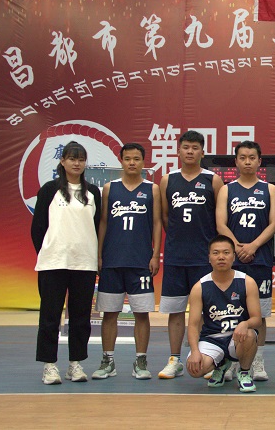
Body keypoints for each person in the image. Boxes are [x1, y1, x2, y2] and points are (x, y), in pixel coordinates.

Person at [31, 141, 101, 385]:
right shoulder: (49, 190)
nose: (76, 163)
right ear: (62, 161)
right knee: (50, 316)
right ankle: (49, 366)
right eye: (72, 158)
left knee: (81, 317)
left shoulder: (93, 192)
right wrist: (48, 252)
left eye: (81, 159)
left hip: (84, 264)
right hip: (53, 263)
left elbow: (97, 226)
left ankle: (75, 364)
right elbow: (38, 228)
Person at [92, 143, 162, 380]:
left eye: (136, 159)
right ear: (121, 161)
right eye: (128, 159)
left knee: (141, 314)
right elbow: (103, 222)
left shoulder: (152, 189)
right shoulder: (109, 188)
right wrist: (99, 254)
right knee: (109, 313)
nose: (132, 163)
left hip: (140, 261)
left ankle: (140, 361)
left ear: (143, 162)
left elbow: (157, 223)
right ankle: (108, 361)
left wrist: (155, 255)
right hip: (112, 260)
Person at [158, 131, 223, 379]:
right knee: (176, 311)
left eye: (195, 148)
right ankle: (174, 359)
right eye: (186, 147)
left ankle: (207, 359)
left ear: (202, 152)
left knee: (207, 312)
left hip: (203, 258)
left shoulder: (213, 180)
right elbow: (165, 217)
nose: (190, 152)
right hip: (176, 257)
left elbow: (219, 219)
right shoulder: (168, 180)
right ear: (178, 150)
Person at [216, 140, 275, 381]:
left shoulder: (269, 189)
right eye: (243, 157)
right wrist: (237, 247)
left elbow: (274, 224)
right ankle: (234, 359)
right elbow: (221, 223)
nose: (247, 162)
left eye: (252, 157)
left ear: (259, 161)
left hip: (260, 257)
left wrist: (253, 245)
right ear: (236, 161)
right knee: (233, 311)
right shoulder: (227, 190)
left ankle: (258, 361)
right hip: (234, 259)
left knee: (259, 314)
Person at [185, 235, 262, 393]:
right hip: (212, 339)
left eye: (226, 253)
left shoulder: (247, 282)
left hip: (237, 337)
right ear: (209, 258)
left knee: (249, 334)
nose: (221, 257)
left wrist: (245, 323)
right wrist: (194, 352)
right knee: (195, 369)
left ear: (233, 256)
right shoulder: (199, 287)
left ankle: (244, 372)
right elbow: (193, 325)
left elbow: (257, 319)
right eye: (216, 253)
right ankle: (220, 364)